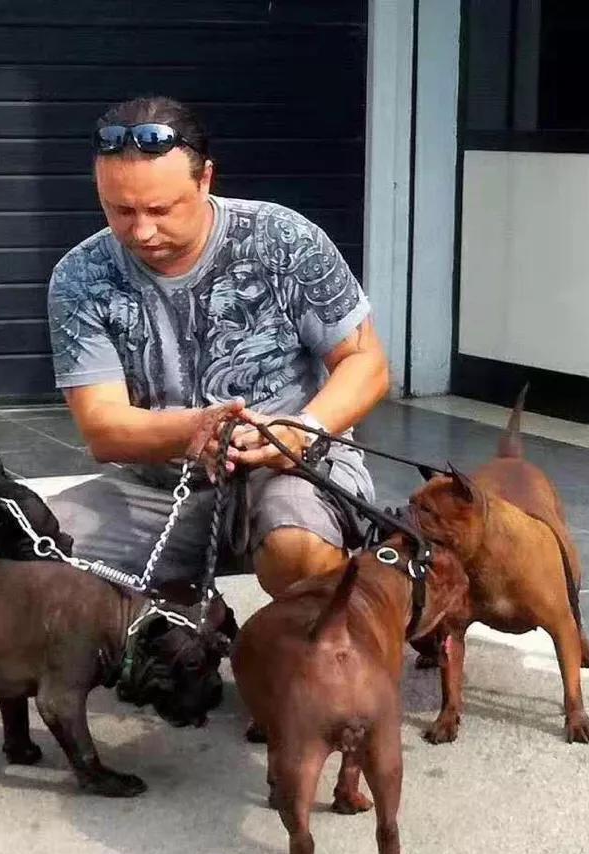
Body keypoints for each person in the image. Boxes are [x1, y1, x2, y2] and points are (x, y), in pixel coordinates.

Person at [46, 96, 390, 599]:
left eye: (161, 209)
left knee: (297, 546)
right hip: (159, 489)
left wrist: (302, 431)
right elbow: (104, 429)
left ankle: (324, 653)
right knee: (36, 554)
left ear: (206, 179)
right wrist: (194, 430)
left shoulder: (282, 239)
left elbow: (367, 363)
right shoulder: (80, 276)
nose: (141, 231)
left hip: (292, 469)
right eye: (119, 210)